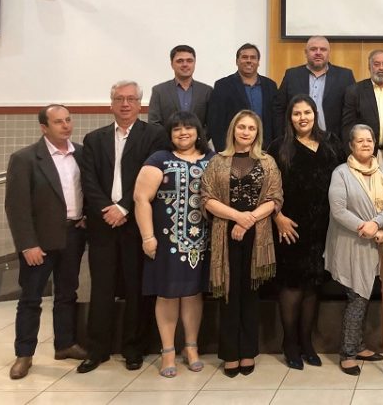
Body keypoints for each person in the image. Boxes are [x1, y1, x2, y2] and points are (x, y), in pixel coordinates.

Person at [78, 81, 167, 374]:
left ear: (140, 104)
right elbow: (88, 180)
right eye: (119, 99)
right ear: (111, 104)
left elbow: (150, 176)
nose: (125, 104)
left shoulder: (154, 135)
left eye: (131, 99)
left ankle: (133, 348)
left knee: (135, 287)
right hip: (103, 223)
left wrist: (125, 207)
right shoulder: (94, 139)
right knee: (101, 288)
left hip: (135, 222)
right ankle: (97, 349)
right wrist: (107, 208)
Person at [5, 105, 88, 380]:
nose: (66, 126)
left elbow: (86, 189)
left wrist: (86, 215)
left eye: (68, 120)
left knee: (67, 293)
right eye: (58, 122)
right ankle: (24, 354)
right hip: (39, 241)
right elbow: (17, 207)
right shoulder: (25, 159)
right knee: (31, 298)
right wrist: (27, 244)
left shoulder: (80, 153)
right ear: (44, 127)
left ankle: (64, 344)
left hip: (73, 235)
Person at [200, 110, 283, 377]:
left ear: (257, 133)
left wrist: (247, 221)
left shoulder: (268, 162)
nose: (246, 132)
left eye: (251, 128)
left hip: (257, 236)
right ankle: (229, 354)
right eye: (241, 127)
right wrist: (236, 217)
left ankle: (248, 352)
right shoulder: (217, 162)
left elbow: (275, 198)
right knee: (228, 295)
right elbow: (207, 199)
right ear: (233, 130)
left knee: (250, 294)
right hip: (225, 233)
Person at [133, 111, 214, 378]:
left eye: (188, 128)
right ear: (169, 134)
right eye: (177, 129)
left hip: (201, 241)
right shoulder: (159, 159)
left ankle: (191, 348)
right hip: (166, 241)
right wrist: (147, 237)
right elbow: (141, 198)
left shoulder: (211, 159)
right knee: (167, 295)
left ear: (198, 132)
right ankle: (168, 350)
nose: (183, 133)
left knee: (193, 294)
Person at [268, 94, 346, 370]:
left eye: (307, 113)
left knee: (313, 285)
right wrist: (277, 217)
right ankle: (289, 344)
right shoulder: (279, 147)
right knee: (292, 286)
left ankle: (307, 343)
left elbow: (346, 177)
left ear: (315, 114)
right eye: (297, 113)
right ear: (290, 117)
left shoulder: (331, 143)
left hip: (324, 227)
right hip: (290, 227)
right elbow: (267, 188)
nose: (303, 118)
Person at [324, 124, 383, 376]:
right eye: (360, 141)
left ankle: (360, 345)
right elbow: (339, 209)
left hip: (376, 242)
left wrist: (377, 223)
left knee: (365, 296)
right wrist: (365, 227)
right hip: (351, 243)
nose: (366, 144)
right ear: (352, 146)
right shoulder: (341, 173)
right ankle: (347, 353)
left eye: (370, 140)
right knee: (357, 297)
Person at [274, 35, 356, 139]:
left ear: (329, 53)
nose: (318, 52)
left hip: (332, 142)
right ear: (306, 52)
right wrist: (283, 137)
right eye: (313, 49)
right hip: (296, 141)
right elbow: (279, 109)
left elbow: (351, 113)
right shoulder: (292, 75)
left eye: (323, 49)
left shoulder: (345, 76)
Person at [207, 43, 279, 150]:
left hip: (265, 149)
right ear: (237, 61)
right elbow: (216, 123)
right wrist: (223, 151)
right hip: (233, 150)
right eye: (244, 57)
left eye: (253, 58)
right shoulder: (223, 86)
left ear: (258, 62)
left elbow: (275, 120)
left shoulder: (270, 86)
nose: (249, 61)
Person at [148, 45, 213, 127]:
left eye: (189, 61)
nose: (185, 64)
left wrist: (198, 138)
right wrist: (168, 139)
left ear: (194, 63)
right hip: (166, 140)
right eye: (180, 61)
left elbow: (211, 123)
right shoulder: (159, 91)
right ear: (172, 64)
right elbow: (153, 122)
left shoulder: (206, 91)